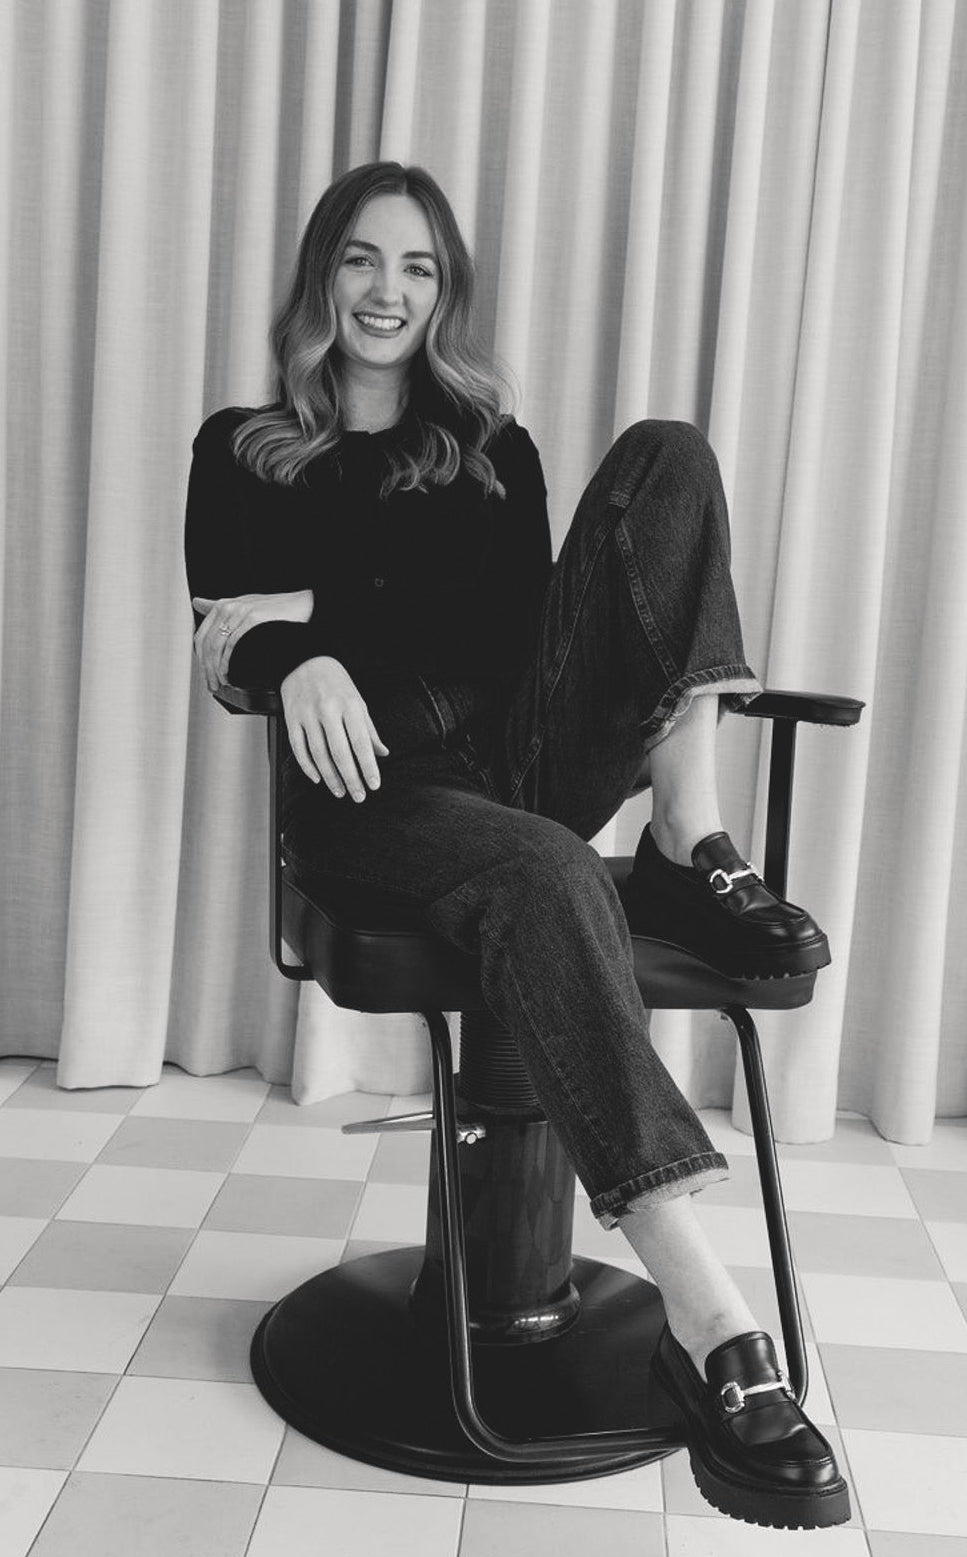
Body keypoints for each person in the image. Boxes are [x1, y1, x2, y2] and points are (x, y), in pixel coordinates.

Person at [185, 161, 849, 1529]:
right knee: (546, 870)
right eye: (363, 261)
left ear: (446, 293)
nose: (388, 291)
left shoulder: (489, 447)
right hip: (376, 794)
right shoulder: (241, 446)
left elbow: (503, 635)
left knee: (666, 453)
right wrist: (289, 652)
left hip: (516, 755)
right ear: (322, 277)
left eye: (418, 268)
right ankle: (712, 1318)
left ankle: (687, 829)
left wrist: (300, 604)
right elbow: (217, 629)